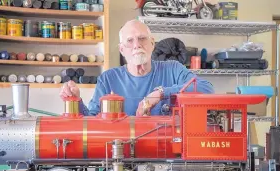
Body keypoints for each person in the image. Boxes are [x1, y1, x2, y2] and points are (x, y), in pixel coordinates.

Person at [60, 19, 214, 116]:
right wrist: (76, 101)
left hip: (168, 156)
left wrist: (161, 93)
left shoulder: (173, 69)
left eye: (142, 39)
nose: (137, 45)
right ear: (122, 50)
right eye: (130, 40)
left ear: (152, 44)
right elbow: (92, 121)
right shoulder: (108, 79)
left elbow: (206, 89)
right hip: (123, 158)